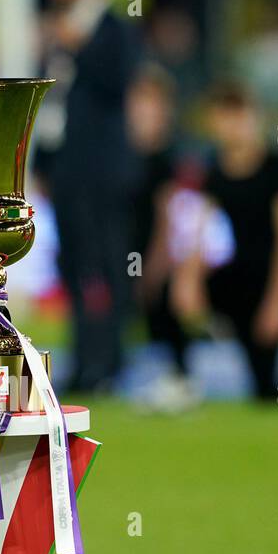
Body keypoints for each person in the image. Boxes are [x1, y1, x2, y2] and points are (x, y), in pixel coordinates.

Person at [172, 81, 278, 403]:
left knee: (267, 390)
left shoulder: (277, 170)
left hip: (265, 287)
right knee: (166, 298)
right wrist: (188, 280)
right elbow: (199, 233)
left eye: (236, 116)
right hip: (231, 282)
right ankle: (181, 380)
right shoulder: (214, 172)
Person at [33, 0, 141, 394]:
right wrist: (42, 162)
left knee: (109, 268)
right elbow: (54, 103)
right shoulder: (59, 29)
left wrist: (78, 46)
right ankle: (84, 363)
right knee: (75, 268)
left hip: (101, 171)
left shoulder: (114, 27)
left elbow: (117, 84)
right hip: (66, 170)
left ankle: (110, 363)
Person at [126, 67, 196, 412]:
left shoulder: (162, 159)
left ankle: (179, 378)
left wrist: (156, 262)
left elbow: (167, 217)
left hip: (149, 253)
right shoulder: (118, 155)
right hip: (123, 253)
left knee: (161, 309)